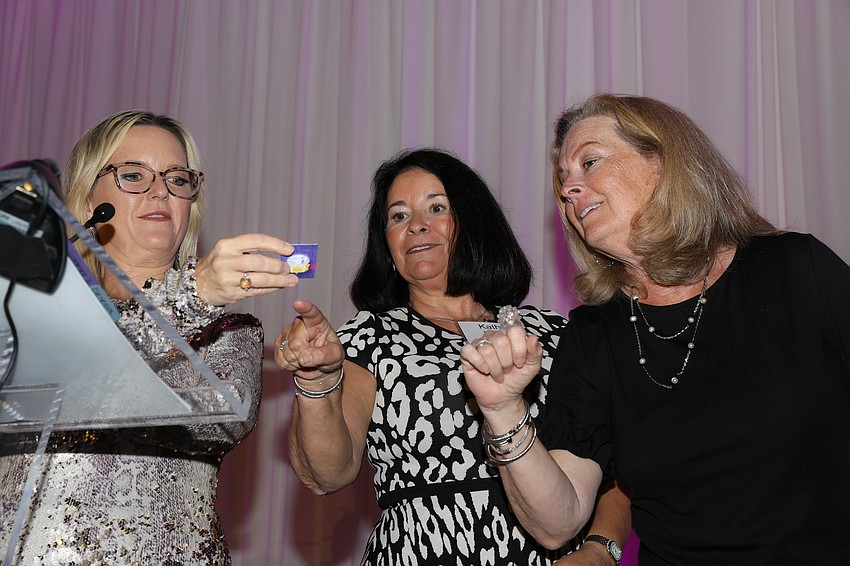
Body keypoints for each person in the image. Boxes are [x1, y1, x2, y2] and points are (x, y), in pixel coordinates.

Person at [459, 93, 850, 565]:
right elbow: (556, 523)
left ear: (662, 162)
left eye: (590, 162)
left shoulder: (793, 270)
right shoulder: (593, 333)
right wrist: (501, 409)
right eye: (563, 182)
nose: (568, 191)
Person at [275, 148, 631, 565]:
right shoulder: (367, 338)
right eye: (398, 216)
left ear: (474, 223)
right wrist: (317, 383)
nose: (416, 226)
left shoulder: (555, 334)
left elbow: (619, 463)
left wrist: (600, 549)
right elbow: (326, 475)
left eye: (436, 207)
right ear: (386, 244)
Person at [0, 110, 299, 564]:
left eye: (178, 179)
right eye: (134, 175)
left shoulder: (228, 329)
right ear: (86, 199)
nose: (161, 190)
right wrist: (192, 295)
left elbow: (213, 423)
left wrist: (194, 299)